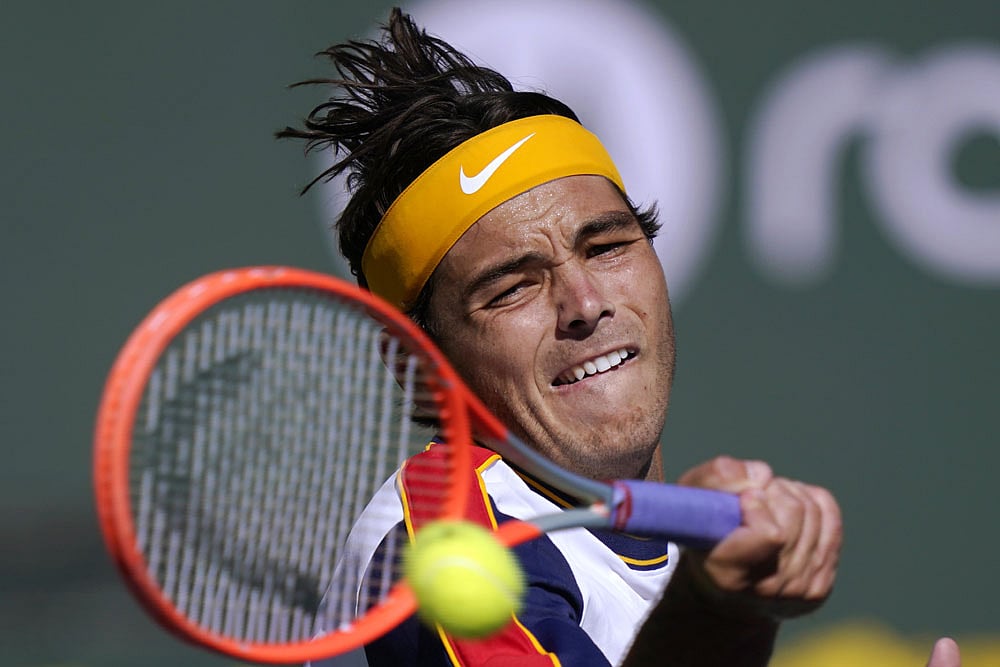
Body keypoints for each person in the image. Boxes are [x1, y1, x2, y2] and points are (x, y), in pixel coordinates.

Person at [279, 8, 960, 667]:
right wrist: (715, 612)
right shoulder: (441, 550)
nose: (585, 304)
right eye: (511, 286)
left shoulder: (651, 553)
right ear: (415, 364)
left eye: (605, 247)